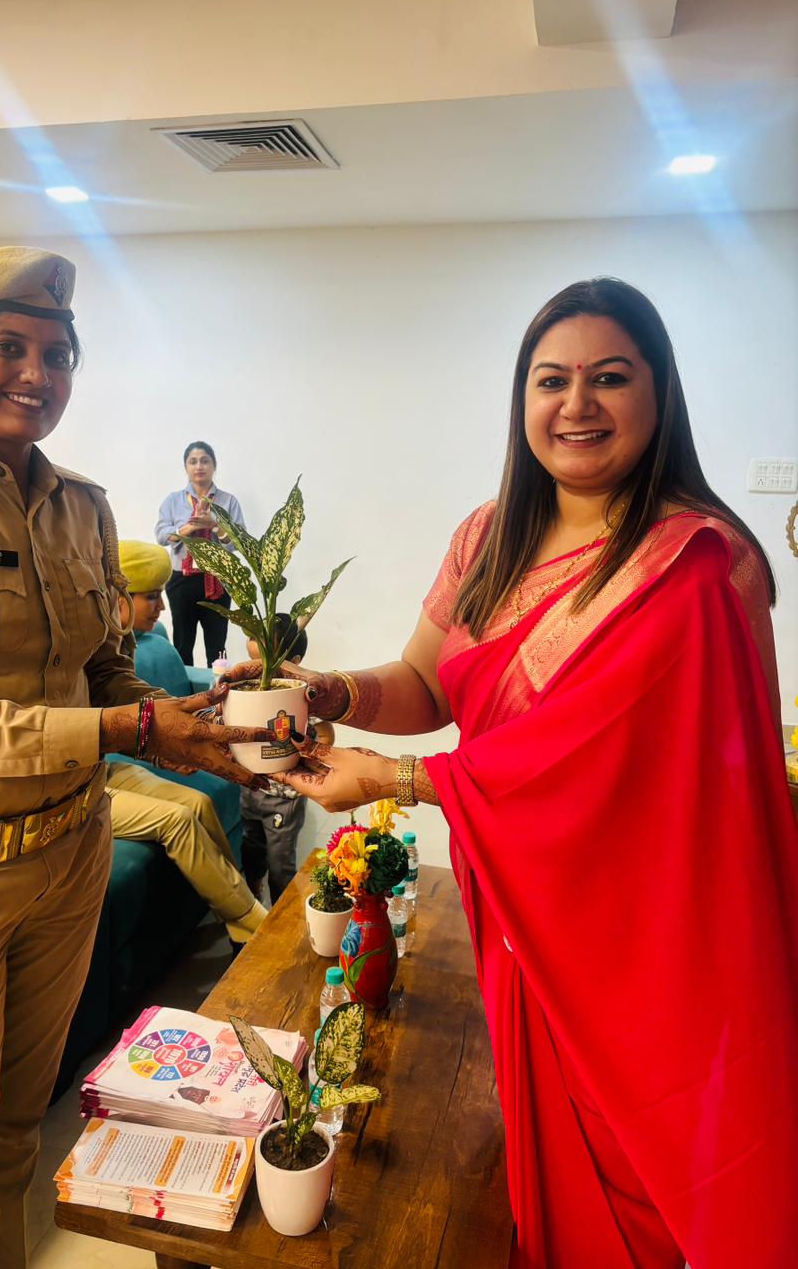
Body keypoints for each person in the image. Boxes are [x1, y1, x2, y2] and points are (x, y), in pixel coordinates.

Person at [226, 279, 798, 1267]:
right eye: (552, 379)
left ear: (659, 394)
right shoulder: (488, 536)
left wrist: (396, 782)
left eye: (609, 377)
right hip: (520, 898)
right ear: (522, 398)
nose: (577, 404)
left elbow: (616, 774)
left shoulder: (689, 565)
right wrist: (327, 692)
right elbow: (424, 681)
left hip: (639, 934)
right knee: (541, 1154)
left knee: (638, 1167)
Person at [0, 246, 265, 1269]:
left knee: (15, 1142)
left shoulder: (85, 504)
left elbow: (103, 672)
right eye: (8, 346)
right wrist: (123, 734)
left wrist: (199, 719)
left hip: (67, 864)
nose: (38, 372)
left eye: (59, 353)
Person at [109, 539, 267, 949]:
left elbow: (132, 709)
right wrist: (159, 744)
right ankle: (251, 924)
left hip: (102, 768)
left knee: (198, 803)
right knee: (177, 820)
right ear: (116, 596)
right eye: (151, 596)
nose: (161, 607)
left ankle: (240, 902)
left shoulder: (118, 647)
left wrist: (174, 741)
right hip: (75, 784)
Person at [239, 613, 334, 904]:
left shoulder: (302, 695)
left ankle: (282, 915)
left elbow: (325, 731)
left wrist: (312, 757)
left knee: (280, 865)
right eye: (253, 664)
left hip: (283, 796)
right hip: (250, 787)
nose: (259, 675)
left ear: (293, 662)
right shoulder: (248, 690)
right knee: (251, 850)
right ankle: (254, 900)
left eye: (265, 665)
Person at [155, 441, 246, 667]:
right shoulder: (173, 500)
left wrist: (214, 525)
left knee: (217, 646)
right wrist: (190, 527)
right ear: (186, 467)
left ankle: (217, 688)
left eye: (205, 461)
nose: (199, 466)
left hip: (217, 580)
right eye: (193, 461)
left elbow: (239, 540)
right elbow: (161, 535)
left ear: (214, 465)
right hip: (181, 581)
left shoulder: (228, 501)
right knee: (182, 643)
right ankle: (183, 689)